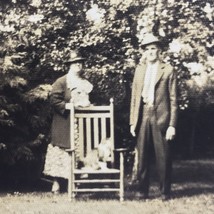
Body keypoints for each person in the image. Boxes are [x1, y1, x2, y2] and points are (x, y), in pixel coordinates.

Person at [129, 33, 178, 201]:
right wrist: (132, 121)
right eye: (147, 49)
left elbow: (173, 99)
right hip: (143, 115)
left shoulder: (168, 70)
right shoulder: (139, 70)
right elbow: (135, 97)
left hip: (161, 117)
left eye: (153, 49)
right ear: (144, 52)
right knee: (142, 156)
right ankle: (142, 191)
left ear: (159, 51)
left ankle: (165, 192)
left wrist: (172, 125)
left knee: (163, 156)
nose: (150, 52)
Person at [43, 50, 93, 193]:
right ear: (70, 65)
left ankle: (77, 182)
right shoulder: (62, 81)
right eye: (74, 62)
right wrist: (68, 106)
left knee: (80, 149)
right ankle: (57, 183)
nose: (78, 64)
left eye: (80, 62)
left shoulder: (85, 83)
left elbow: (87, 101)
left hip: (81, 122)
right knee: (61, 149)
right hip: (64, 122)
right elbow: (54, 100)